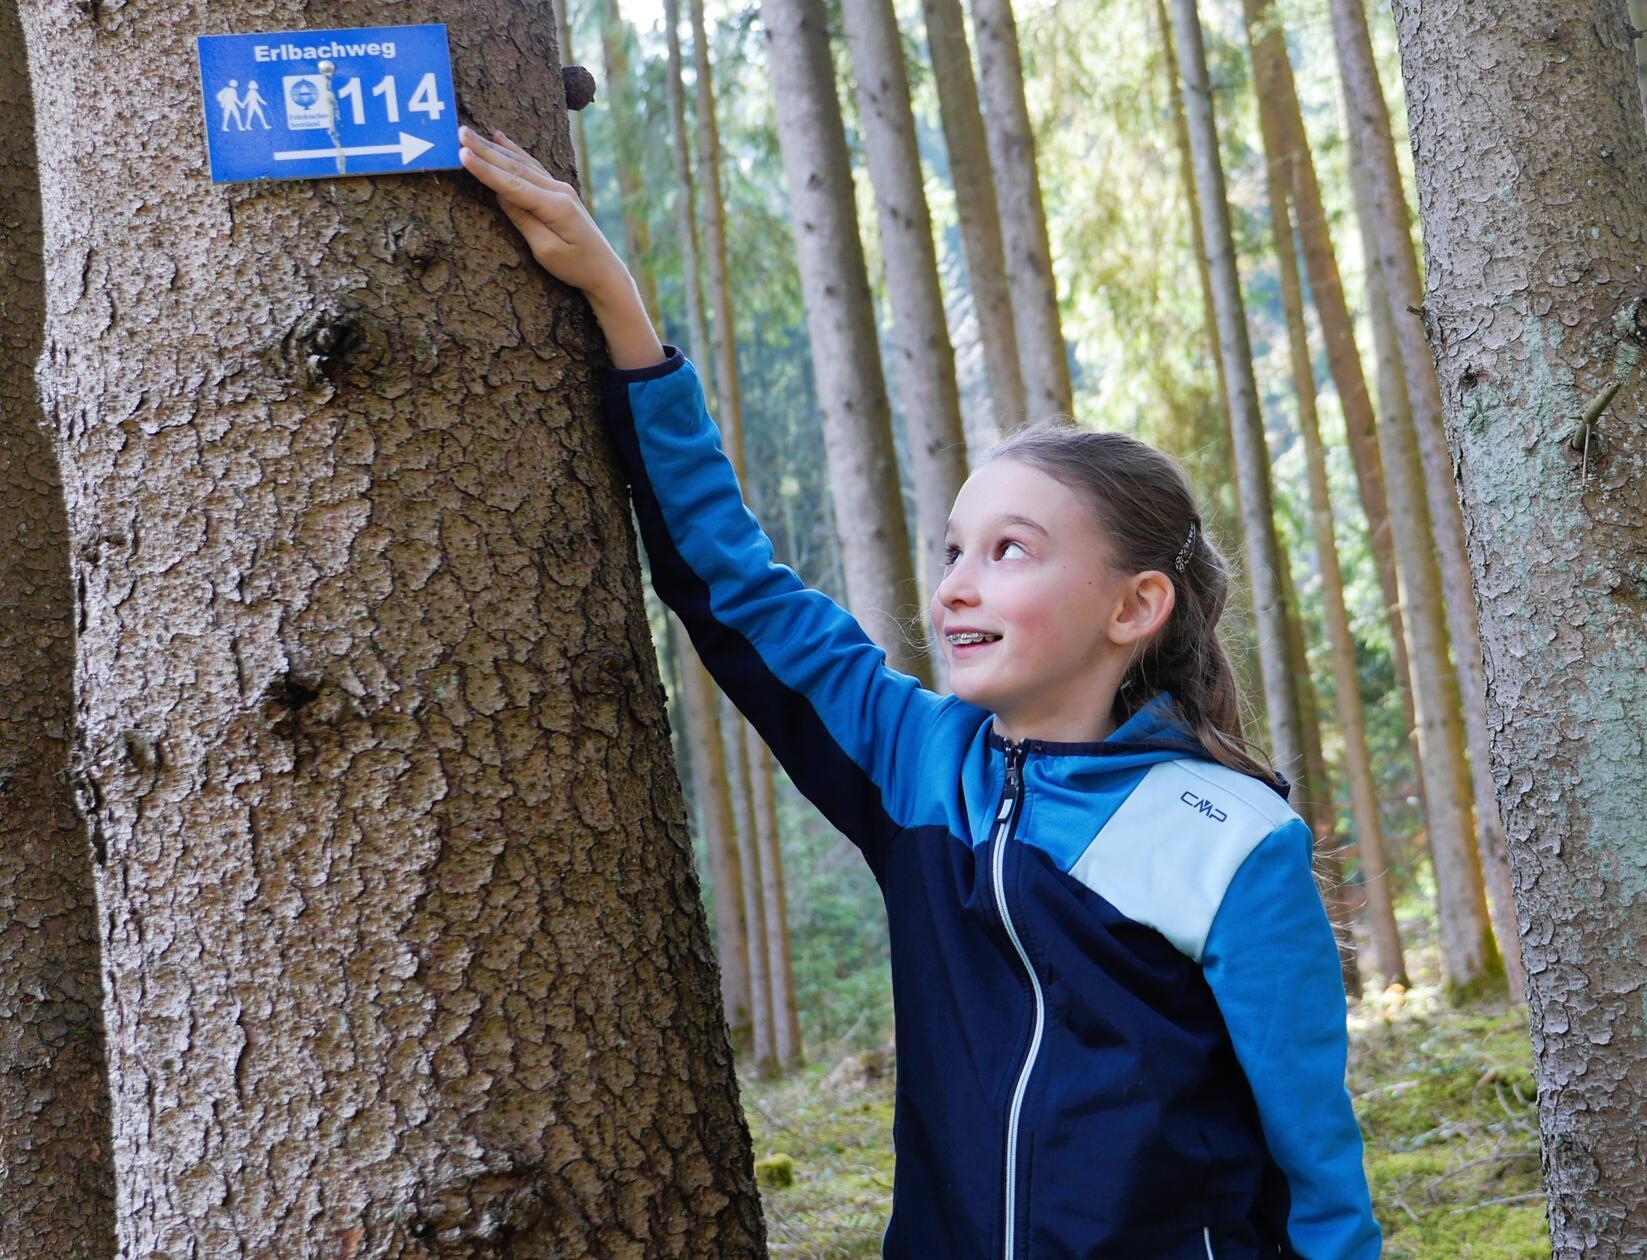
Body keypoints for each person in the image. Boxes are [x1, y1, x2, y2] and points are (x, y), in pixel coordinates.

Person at [457, 122, 1382, 1260]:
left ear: (1134, 605)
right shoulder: (918, 763)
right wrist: (619, 309)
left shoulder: (1234, 839)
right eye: (952, 550)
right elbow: (738, 588)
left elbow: (1317, 1169)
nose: (953, 586)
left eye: (1010, 550)